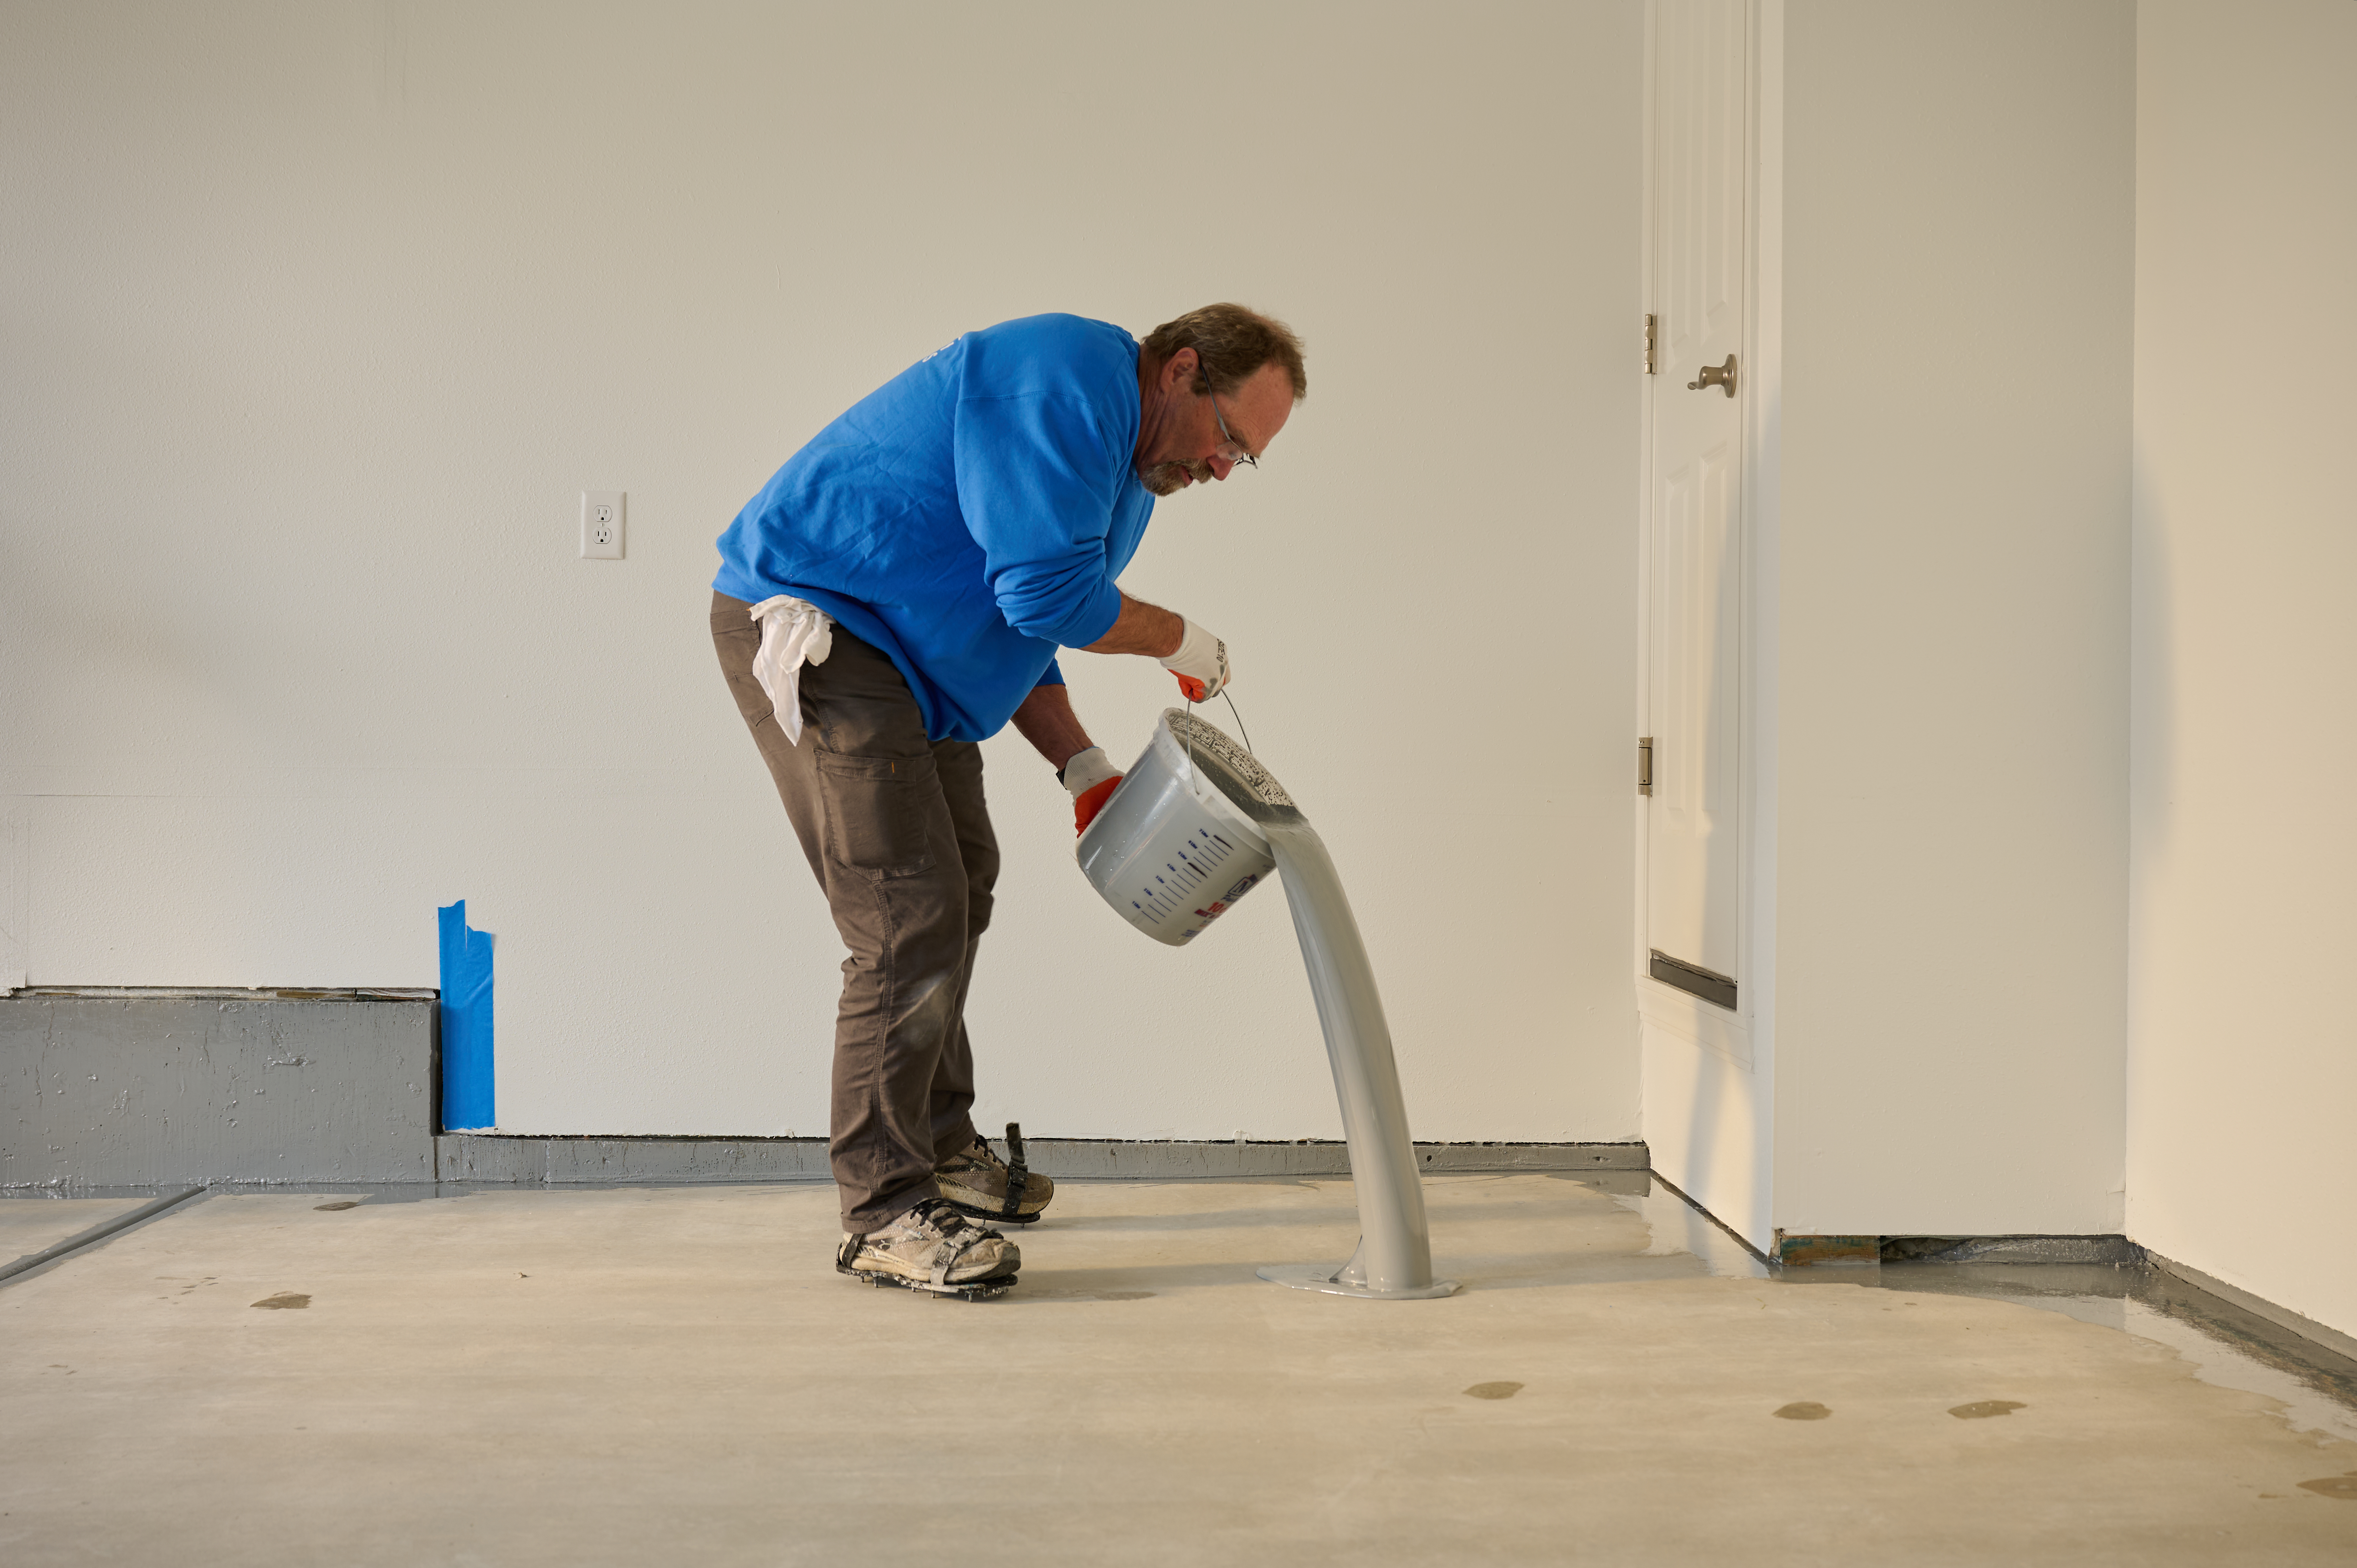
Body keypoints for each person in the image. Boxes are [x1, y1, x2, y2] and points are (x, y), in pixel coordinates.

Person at [709, 305, 1306, 1297]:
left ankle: (937, 1146)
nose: (1220, 470)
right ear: (1184, 371)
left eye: (1241, 460)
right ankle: (884, 1210)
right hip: (822, 629)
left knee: (962, 883)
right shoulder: (1067, 380)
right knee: (906, 915)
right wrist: (1177, 638)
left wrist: (1083, 769)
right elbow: (1044, 596)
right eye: (1230, 441)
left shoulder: (1124, 463)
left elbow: (1017, 626)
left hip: (908, 668)